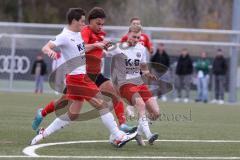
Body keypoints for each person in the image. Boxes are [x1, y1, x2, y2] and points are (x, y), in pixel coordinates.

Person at [30, 8, 137, 148]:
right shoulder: (65, 35)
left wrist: (111, 48)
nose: (84, 23)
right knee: (102, 105)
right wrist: (49, 51)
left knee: (72, 114)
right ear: (74, 21)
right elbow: (46, 47)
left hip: (80, 78)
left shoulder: (79, 33)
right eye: (81, 21)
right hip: (78, 78)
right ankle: (118, 136)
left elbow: (92, 48)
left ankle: (42, 134)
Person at [81, 7, 132, 131]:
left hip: (96, 76)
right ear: (90, 21)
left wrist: (114, 52)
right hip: (82, 77)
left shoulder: (101, 35)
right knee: (65, 107)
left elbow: (104, 50)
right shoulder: (85, 31)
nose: (100, 27)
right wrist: (96, 45)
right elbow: (81, 48)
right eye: (98, 23)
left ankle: (122, 125)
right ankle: (43, 113)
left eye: (102, 24)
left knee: (115, 94)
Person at [108, 25, 160, 146]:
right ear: (128, 34)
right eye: (134, 36)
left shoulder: (141, 48)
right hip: (125, 84)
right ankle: (149, 134)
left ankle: (137, 132)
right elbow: (102, 53)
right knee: (141, 104)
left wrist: (148, 74)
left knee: (155, 113)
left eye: (138, 37)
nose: (136, 39)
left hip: (139, 83)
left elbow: (143, 67)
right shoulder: (118, 48)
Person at [121, 17, 153, 118]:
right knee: (133, 91)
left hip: (140, 66)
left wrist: (151, 49)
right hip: (129, 68)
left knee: (140, 91)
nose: (136, 25)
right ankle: (131, 107)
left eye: (138, 23)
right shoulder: (126, 38)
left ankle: (140, 112)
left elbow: (149, 48)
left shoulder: (144, 37)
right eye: (134, 23)